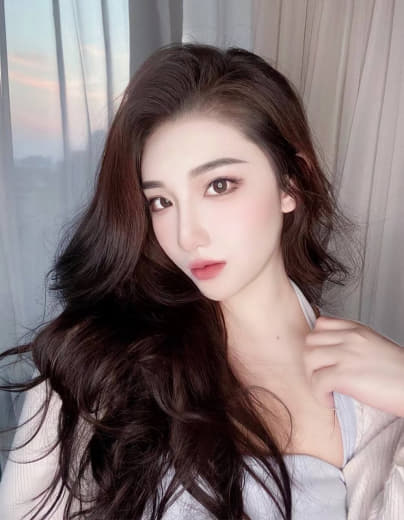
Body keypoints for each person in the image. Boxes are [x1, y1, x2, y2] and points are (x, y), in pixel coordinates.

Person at [0, 41, 403, 520]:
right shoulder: (96, 359)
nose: (187, 235)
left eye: (218, 185)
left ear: (291, 182)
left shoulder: (372, 389)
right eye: (161, 202)